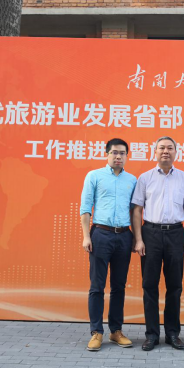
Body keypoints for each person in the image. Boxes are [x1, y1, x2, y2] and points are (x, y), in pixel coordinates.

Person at [132, 137, 184, 352]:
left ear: (176, 152)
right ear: (155, 152)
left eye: (170, 148)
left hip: (175, 233)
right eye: (161, 148)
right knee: (149, 285)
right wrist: (139, 239)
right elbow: (137, 210)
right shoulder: (145, 178)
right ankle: (151, 334)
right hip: (150, 233)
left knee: (175, 286)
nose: (165, 151)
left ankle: (172, 333)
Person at [80, 138, 137, 352]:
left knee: (119, 286)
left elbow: (134, 211)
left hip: (124, 235)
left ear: (126, 156)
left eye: (122, 153)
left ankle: (116, 331)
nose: (118, 156)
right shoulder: (94, 176)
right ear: (107, 154)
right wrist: (86, 236)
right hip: (100, 234)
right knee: (97, 286)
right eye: (114, 152)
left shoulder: (132, 180)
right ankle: (96, 332)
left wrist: (136, 237)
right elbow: (86, 207)